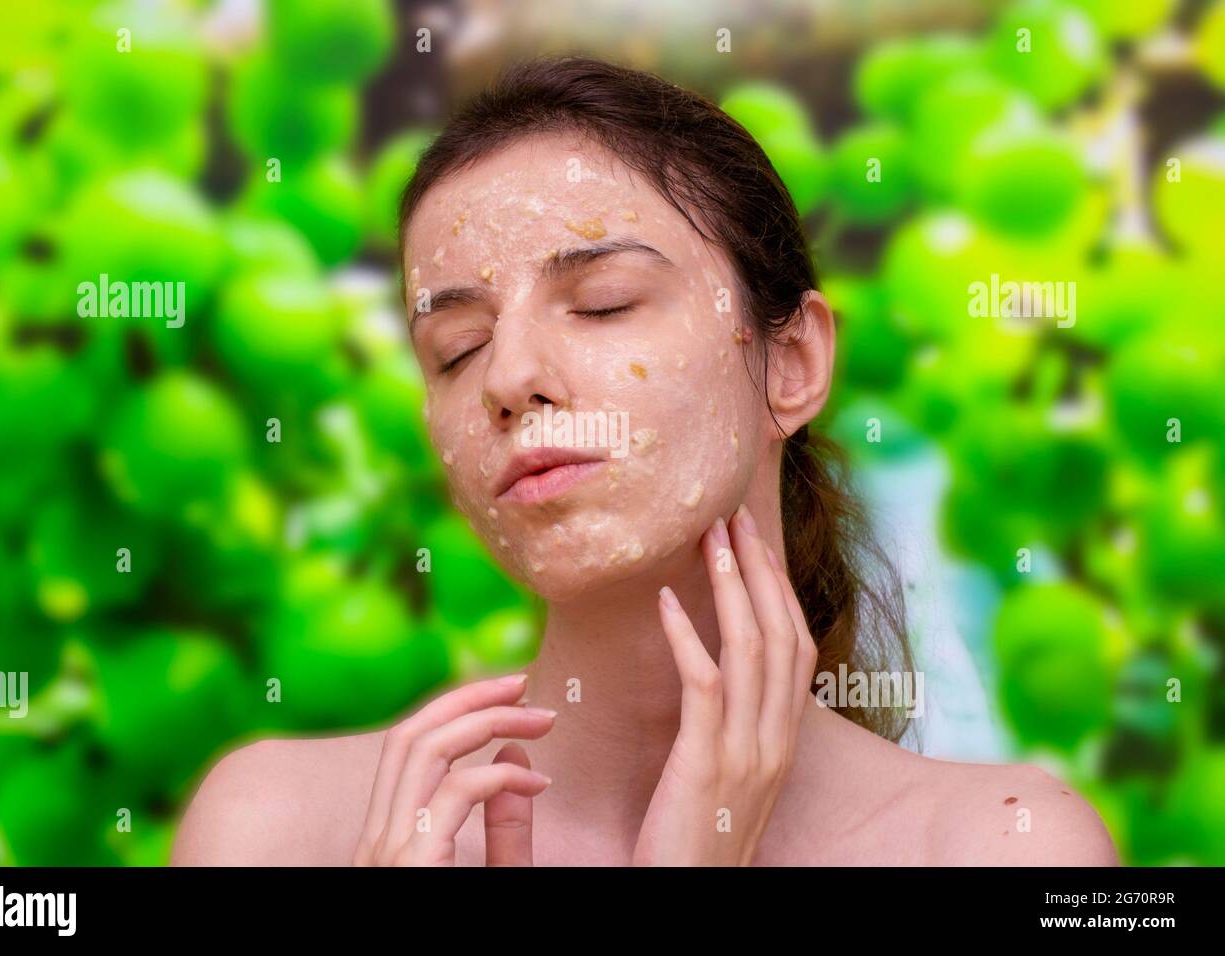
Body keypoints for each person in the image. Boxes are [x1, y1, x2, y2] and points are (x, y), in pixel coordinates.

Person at [171, 56, 1118, 866]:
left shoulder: (1004, 845)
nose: (508, 377)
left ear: (790, 364)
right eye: (456, 349)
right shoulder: (277, 830)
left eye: (604, 302)